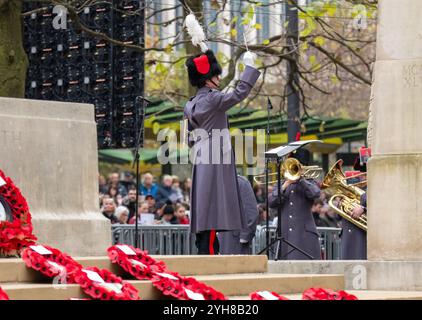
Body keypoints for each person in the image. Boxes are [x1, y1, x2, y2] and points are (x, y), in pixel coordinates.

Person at [184, 49, 260, 255]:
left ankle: (208, 249)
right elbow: (239, 93)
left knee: (205, 205)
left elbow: (188, 138)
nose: (219, 78)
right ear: (209, 79)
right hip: (216, 155)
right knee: (211, 207)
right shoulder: (213, 99)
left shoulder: (189, 104)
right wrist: (250, 69)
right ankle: (208, 254)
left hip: (200, 156)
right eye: (216, 75)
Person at [269, 148, 322, 260]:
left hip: (304, 236)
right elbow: (271, 202)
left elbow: (316, 194)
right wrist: (284, 186)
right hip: (285, 235)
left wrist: (301, 179)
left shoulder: (309, 182)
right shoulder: (282, 183)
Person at [219, 175, 259, 255]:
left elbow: (251, 212)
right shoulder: (217, 182)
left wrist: (244, 236)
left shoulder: (241, 183)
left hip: (234, 239)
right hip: (218, 238)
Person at [341, 156, 367, 260]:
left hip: (362, 237)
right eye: (360, 173)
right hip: (348, 235)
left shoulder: (376, 187)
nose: (362, 177)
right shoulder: (354, 187)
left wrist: (363, 208)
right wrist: (341, 203)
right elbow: (339, 216)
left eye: (364, 174)